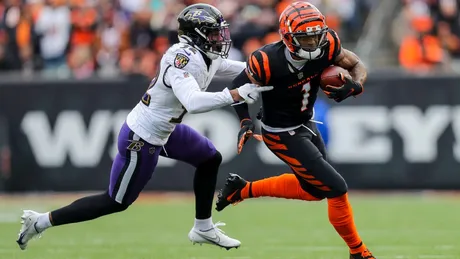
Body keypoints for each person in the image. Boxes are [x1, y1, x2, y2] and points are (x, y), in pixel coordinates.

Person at [16, 3, 272, 251]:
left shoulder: (206, 54)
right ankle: (40, 221)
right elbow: (193, 102)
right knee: (115, 201)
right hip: (142, 136)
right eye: (214, 32)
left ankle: (203, 228)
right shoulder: (180, 58)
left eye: (220, 31)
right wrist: (235, 94)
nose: (220, 37)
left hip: (166, 130)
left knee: (209, 159)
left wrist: (269, 71)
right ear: (197, 35)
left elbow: (231, 67)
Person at [215, 2, 375, 259]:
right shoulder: (267, 59)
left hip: (307, 123)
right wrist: (244, 121)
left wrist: (355, 85)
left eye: (316, 35)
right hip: (280, 132)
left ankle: (241, 190)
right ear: (288, 38)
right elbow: (237, 88)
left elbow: (357, 65)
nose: (313, 42)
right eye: (306, 37)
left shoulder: (329, 44)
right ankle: (359, 252)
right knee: (336, 187)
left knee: (315, 191)